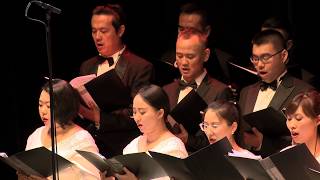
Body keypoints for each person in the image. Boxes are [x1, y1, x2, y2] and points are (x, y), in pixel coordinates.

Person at [78, 4, 154, 158]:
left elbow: (137, 115)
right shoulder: (87, 66)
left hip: (122, 148)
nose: (97, 36)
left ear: (120, 31)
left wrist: (98, 117)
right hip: (90, 146)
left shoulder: (140, 67)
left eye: (104, 31)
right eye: (94, 31)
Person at [238, 29, 314, 157]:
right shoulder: (246, 92)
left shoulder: (304, 92)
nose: (260, 65)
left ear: (283, 56)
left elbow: (310, 141)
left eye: (266, 58)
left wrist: (262, 143)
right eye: (255, 59)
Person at [163, 32, 232, 152]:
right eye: (179, 56)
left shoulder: (220, 91)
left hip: (200, 162)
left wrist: (188, 139)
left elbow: (223, 141)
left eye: (190, 57)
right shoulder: (167, 89)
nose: (184, 63)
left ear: (206, 55)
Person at [17, 79, 100, 180]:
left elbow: (93, 177)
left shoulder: (82, 139)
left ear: (64, 106)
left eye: (49, 106)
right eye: (40, 105)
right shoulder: (35, 135)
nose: (43, 111)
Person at [101, 84, 188, 180]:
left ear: (160, 113)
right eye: (134, 112)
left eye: (142, 112)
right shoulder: (134, 144)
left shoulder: (174, 148)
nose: (137, 118)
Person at [159, 2, 235, 86]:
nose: (185, 35)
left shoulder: (223, 64)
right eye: (181, 29)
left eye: (192, 30)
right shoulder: (167, 58)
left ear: (207, 31)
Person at [284, 90, 320, 163]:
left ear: (317, 120)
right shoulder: (284, 155)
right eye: (289, 119)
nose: (292, 125)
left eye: (298, 119)